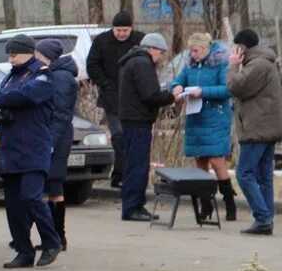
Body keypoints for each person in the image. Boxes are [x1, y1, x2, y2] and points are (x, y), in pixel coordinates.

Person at [0, 34, 61, 269]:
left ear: (28, 52)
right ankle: (23, 250)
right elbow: (0, 111)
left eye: (14, 54)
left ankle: (51, 242)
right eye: (8, 54)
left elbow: (25, 96)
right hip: (10, 150)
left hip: (33, 149)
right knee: (15, 205)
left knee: (31, 197)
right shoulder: (9, 78)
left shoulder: (42, 75)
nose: (10, 58)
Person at [169, 33, 235, 221]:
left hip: (216, 116)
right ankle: (205, 204)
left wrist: (203, 92)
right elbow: (179, 79)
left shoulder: (220, 63)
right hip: (195, 116)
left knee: (216, 159)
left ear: (205, 49)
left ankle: (229, 202)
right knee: (200, 162)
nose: (193, 54)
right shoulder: (190, 64)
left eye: (196, 51)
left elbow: (227, 89)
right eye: (191, 51)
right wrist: (177, 87)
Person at [226, 28, 282, 235]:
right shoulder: (264, 62)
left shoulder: (257, 65)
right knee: (263, 175)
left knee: (244, 173)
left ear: (242, 48)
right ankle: (265, 218)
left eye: (235, 47)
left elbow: (236, 86)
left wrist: (232, 66)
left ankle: (262, 217)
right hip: (266, 127)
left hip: (257, 128)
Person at [117, 33, 175, 221]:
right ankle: (132, 207)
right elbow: (150, 95)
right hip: (138, 121)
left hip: (132, 119)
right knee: (138, 165)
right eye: (160, 52)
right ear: (152, 49)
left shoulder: (132, 61)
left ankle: (135, 205)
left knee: (135, 164)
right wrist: (172, 96)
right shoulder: (142, 64)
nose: (161, 57)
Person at [87, 11, 145, 187]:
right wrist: (105, 84)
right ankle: (119, 175)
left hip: (134, 98)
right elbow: (92, 65)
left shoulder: (139, 40)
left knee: (131, 137)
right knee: (118, 136)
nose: (121, 34)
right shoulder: (102, 41)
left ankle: (127, 175)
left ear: (131, 29)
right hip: (111, 97)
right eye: (118, 30)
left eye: (125, 30)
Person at [34, 38, 77, 250]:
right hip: (56, 136)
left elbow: (59, 114)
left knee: (54, 185)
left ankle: (58, 236)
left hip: (56, 138)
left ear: (46, 56)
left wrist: (49, 141)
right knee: (53, 185)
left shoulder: (60, 78)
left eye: (37, 54)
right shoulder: (56, 74)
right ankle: (54, 237)